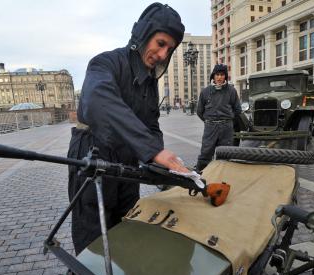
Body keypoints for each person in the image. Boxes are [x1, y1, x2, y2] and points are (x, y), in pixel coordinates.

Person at [67, 2, 187, 256]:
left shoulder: (149, 82)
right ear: (144, 34)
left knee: (125, 228)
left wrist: (162, 164)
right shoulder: (104, 63)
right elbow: (100, 101)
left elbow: (151, 124)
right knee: (94, 241)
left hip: (128, 160)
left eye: (170, 49)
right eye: (161, 43)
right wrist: (152, 150)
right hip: (93, 153)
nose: (163, 54)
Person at [195, 64, 242, 171]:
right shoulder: (205, 92)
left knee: (226, 153)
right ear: (213, 76)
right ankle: (200, 175)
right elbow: (199, 111)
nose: (219, 77)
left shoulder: (231, 91)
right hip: (210, 127)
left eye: (222, 75)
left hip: (226, 128)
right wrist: (209, 121)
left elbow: (238, 110)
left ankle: (223, 175)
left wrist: (228, 120)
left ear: (225, 76)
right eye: (217, 75)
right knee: (206, 153)